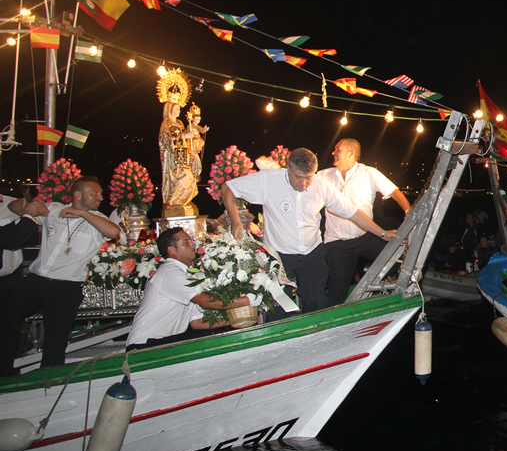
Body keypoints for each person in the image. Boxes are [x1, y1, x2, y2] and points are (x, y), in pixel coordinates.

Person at [222, 147, 397, 314]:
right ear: (288, 169)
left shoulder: (322, 185)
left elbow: (352, 212)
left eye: (309, 177)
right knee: (278, 309)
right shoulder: (268, 180)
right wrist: (236, 220)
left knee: (317, 303)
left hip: (312, 254)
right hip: (279, 256)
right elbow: (228, 188)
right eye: (298, 177)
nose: (304, 183)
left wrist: (381, 233)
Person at [0, 177, 121, 374]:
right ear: (78, 194)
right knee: (6, 313)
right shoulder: (54, 210)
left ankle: (49, 378)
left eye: (100, 194)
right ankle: (4, 371)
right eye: (95, 193)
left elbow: (113, 231)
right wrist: (27, 205)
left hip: (66, 286)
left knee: (56, 338)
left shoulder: (98, 219)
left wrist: (82, 213)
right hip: (37, 279)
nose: (100, 197)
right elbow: (23, 210)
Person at [126, 228, 256, 350]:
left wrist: (239, 318)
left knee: (215, 336)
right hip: (143, 345)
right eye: (186, 242)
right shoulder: (170, 272)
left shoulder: (186, 275)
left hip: (160, 343)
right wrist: (247, 301)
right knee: (211, 340)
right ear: (172, 250)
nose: (193, 244)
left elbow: (197, 323)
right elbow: (206, 301)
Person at [317, 139, 412, 305]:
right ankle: (334, 324)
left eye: (337, 149)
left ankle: (375, 276)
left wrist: (409, 214)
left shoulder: (369, 173)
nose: (333, 153)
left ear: (350, 153)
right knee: (336, 291)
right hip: (337, 242)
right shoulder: (323, 176)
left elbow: (395, 192)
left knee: (399, 253)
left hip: (365, 236)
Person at [0, 197, 48, 303]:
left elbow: (7, 230)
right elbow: (12, 239)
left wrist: (29, 218)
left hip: (12, 277)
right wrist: (29, 214)